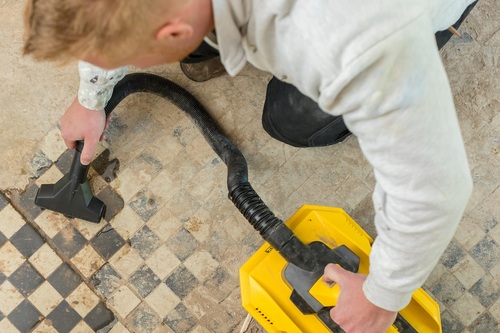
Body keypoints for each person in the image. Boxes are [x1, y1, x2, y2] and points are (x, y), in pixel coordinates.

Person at [23, 0, 477, 332]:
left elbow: (435, 189)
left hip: (403, 13)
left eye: (122, 57)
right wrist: (92, 96)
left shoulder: (347, 46)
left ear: (175, 31)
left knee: (288, 120)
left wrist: (381, 297)